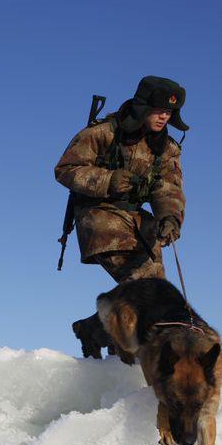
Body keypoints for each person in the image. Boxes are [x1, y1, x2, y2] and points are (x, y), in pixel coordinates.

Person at [54, 76, 188, 358]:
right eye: (158, 109)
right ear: (142, 107)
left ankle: (95, 330)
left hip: (139, 223)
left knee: (151, 294)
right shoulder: (103, 133)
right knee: (146, 291)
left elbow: (168, 188)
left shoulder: (166, 146)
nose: (164, 116)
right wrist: (109, 180)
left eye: (169, 112)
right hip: (101, 219)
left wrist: (169, 218)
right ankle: (128, 361)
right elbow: (65, 169)